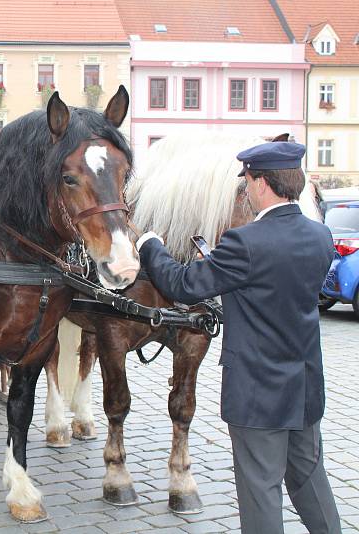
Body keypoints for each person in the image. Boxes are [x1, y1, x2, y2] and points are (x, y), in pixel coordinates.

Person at [136, 142, 341, 534]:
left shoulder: (245, 243)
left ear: (262, 184)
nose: (244, 191)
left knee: (261, 489)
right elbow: (271, 287)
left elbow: (181, 285)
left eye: (246, 182)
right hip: (304, 387)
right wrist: (222, 269)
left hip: (258, 394)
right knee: (309, 480)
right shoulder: (321, 236)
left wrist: (151, 246)